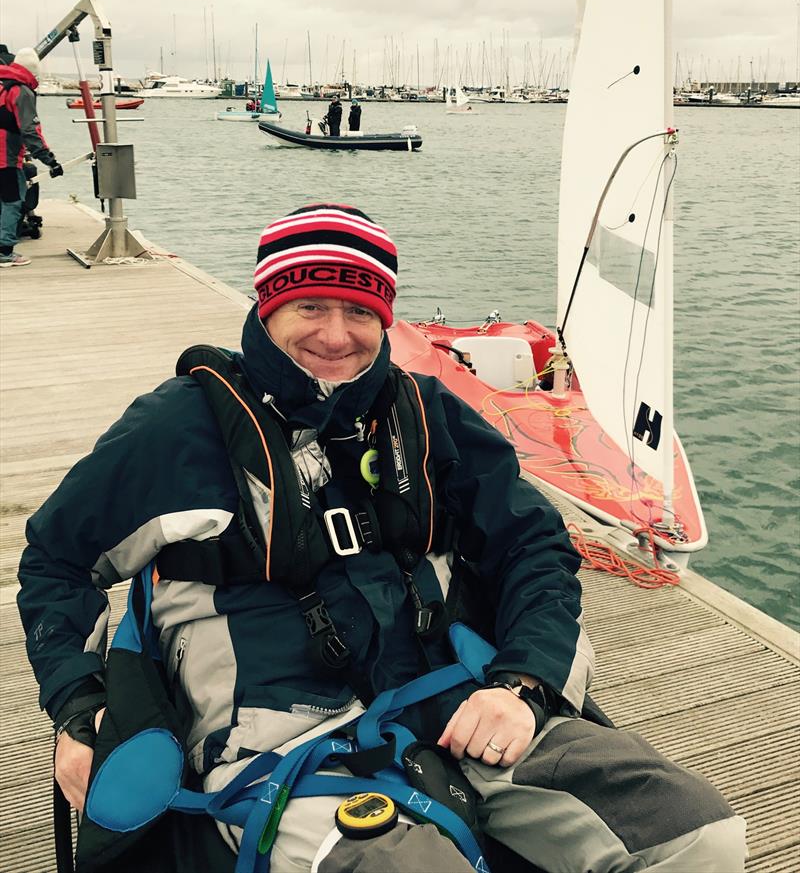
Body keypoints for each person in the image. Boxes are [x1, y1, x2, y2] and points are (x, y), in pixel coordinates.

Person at [17, 203, 746, 873]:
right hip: (281, 748)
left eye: (359, 310)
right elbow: (54, 561)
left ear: (385, 317)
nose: (336, 334)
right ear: (267, 309)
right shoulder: (178, 429)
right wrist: (80, 710)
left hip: (459, 701)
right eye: (309, 305)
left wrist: (521, 685)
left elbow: (535, 545)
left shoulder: (426, 415)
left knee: (697, 835)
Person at [0, 46, 62, 268]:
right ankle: (4, 252)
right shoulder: (21, 91)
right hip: (4, 158)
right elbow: (30, 130)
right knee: (12, 201)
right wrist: (49, 160)